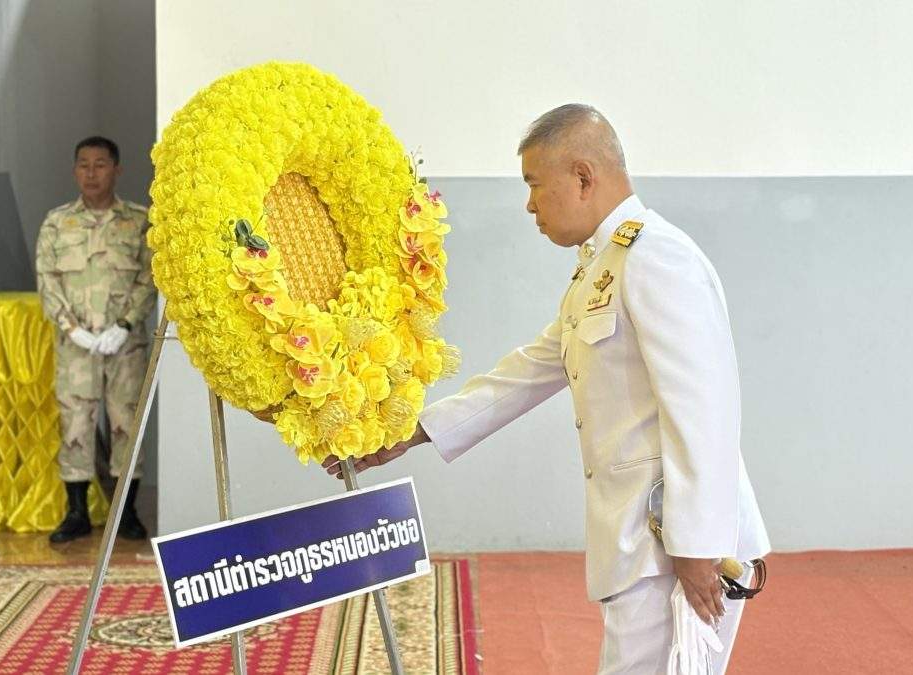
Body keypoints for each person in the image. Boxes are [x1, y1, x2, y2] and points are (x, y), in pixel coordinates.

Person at [325, 104, 771, 673]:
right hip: (643, 545)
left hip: (673, 545)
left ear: (583, 176)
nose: (529, 204)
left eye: (535, 185)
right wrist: (413, 432)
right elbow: (532, 369)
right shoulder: (602, 266)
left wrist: (696, 544)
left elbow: (704, 407)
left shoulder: (657, 256)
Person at [35, 136, 155, 543]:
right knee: (75, 424)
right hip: (76, 345)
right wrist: (74, 330)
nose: (91, 173)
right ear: (74, 171)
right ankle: (77, 513)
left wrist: (124, 324)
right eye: (83, 165)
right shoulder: (57, 222)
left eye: (100, 164)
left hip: (126, 344)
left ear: (117, 170)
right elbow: (47, 280)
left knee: (127, 422)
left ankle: (126, 512)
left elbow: (149, 277)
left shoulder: (139, 222)